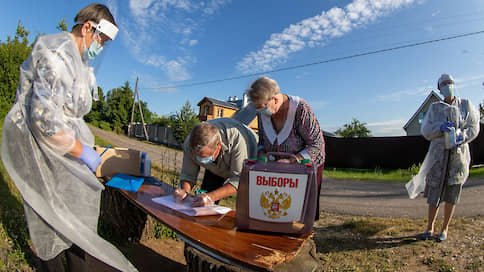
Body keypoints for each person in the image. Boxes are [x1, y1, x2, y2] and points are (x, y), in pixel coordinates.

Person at [1, 4, 137, 272]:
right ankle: (50, 264)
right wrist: (82, 151)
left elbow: (69, 113)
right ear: (88, 27)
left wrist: (81, 143)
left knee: (72, 206)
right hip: (37, 144)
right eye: (102, 39)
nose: (101, 47)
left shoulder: (80, 62)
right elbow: (45, 122)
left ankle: (75, 263)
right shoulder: (56, 55)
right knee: (46, 209)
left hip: (62, 146)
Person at [246, 76, 325, 220]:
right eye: (257, 108)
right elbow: (262, 140)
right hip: (277, 166)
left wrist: (293, 161)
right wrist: (263, 154)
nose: (260, 112)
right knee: (277, 205)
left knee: (302, 207)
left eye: (262, 107)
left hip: (305, 164)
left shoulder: (301, 109)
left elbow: (316, 143)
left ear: (275, 99)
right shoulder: (262, 112)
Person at [417, 73, 480, 242]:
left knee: (452, 193)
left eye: (450, 82)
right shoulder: (435, 108)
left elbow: (474, 127)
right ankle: (429, 227)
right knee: (434, 193)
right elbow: (426, 130)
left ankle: (444, 228)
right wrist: (440, 128)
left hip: (458, 157)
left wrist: (460, 136)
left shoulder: (465, 105)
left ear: (454, 84)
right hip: (438, 157)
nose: (447, 85)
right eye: (444, 83)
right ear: (439, 88)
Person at [173, 118, 258, 207]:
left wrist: (211, 197)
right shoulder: (189, 143)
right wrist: (184, 191)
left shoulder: (237, 139)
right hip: (217, 166)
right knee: (204, 201)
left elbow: (239, 179)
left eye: (205, 156)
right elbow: (188, 174)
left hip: (253, 161)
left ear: (219, 145)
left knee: (248, 207)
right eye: (198, 156)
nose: (201, 160)